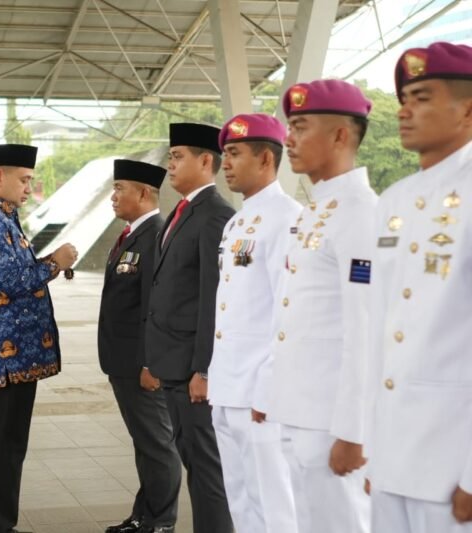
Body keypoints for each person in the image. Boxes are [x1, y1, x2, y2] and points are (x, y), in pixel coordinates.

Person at [366, 41, 472, 533]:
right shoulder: (395, 199)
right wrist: (374, 447)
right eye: (404, 98)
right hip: (395, 455)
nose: (404, 111)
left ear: (467, 107)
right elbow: (380, 328)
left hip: (452, 462)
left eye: (422, 97)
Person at [265, 80, 376, 533]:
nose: (289, 139)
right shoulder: (318, 209)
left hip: (333, 418)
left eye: (301, 127)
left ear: (340, 136)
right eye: (289, 127)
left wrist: (354, 429)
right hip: (302, 410)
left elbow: (365, 327)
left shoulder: (361, 212)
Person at [0, 143, 77, 533]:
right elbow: (9, 281)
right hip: (0, 354)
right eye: (24, 180)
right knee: (2, 444)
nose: (28, 188)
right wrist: (54, 263)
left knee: (4, 444)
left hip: (7, 353)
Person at [207, 114, 300, 533]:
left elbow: (290, 311)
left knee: (275, 506)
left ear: (265, 159)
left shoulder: (287, 218)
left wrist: (269, 384)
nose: (225, 163)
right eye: (225, 153)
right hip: (229, 385)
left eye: (234, 153)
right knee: (242, 501)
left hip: (261, 392)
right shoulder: (238, 220)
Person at [144, 123, 235, 533]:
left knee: (206, 470)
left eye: (178, 156)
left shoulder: (215, 216)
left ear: (205, 161)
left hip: (192, 369)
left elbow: (214, 298)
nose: (171, 163)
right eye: (170, 156)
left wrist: (204, 369)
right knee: (192, 459)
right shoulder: (180, 214)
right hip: (173, 364)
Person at [98, 159, 181, 533]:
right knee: (145, 444)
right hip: (123, 361)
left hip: (141, 364)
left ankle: (161, 521)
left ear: (144, 193)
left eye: (120, 189)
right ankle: (143, 515)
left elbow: (155, 306)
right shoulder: (133, 235)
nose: (113, 197)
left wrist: (151, 364)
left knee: (157, 444)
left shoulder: (156, 236)